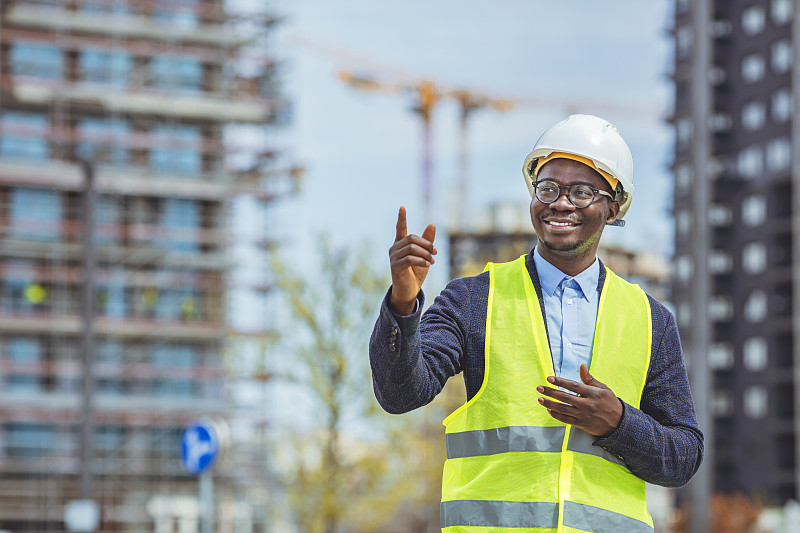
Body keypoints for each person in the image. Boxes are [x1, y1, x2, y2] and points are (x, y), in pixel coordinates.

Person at [369, 114, 703, 533]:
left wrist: (619, 422)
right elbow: (401, 392)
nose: (560, 203)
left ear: (612, 208)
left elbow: (683, 457)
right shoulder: (474, 299)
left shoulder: (651, 320)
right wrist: (403, 304)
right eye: (548, 188)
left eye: (582, 192)